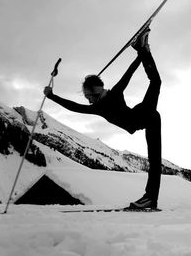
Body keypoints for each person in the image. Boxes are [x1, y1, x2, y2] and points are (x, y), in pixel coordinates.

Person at [44, 27, 162, 209]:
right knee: (156, 82)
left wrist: (52, 96)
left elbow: (73, 107)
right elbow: (129, 73)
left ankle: (150, 198)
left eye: (87, 95)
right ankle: (142, 47)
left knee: (155, 158)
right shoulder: (112, 94)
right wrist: (141, 54)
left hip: (144, 118)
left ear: (94, 92)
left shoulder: (99, 106)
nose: (86, 99)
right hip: (143, 114)